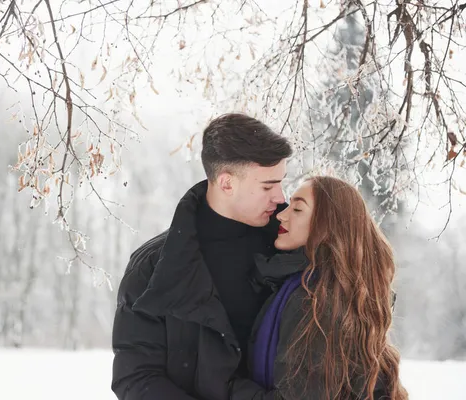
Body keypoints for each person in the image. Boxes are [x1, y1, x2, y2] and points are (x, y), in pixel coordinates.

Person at [111, 113, 293, 400]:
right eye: (268, 186)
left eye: (281, 183)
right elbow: (136, 377)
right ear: (226, 183)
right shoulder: (153, 266)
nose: (281, 197)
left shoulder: (295, 251)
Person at [228, 176, 409, 400]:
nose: (281, 215)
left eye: (297, 209)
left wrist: (227, 387)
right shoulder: (304, 285)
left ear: (326, 224)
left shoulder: (319, 301)